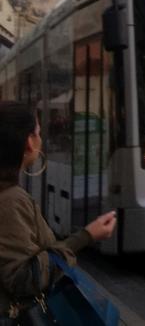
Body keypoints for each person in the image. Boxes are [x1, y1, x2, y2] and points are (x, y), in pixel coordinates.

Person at [1, 101, 117, 319]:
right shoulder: (10, 201)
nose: (41, 138)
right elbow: (24, 278)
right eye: (38, 132)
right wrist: (86, 236)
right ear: (29, 142)